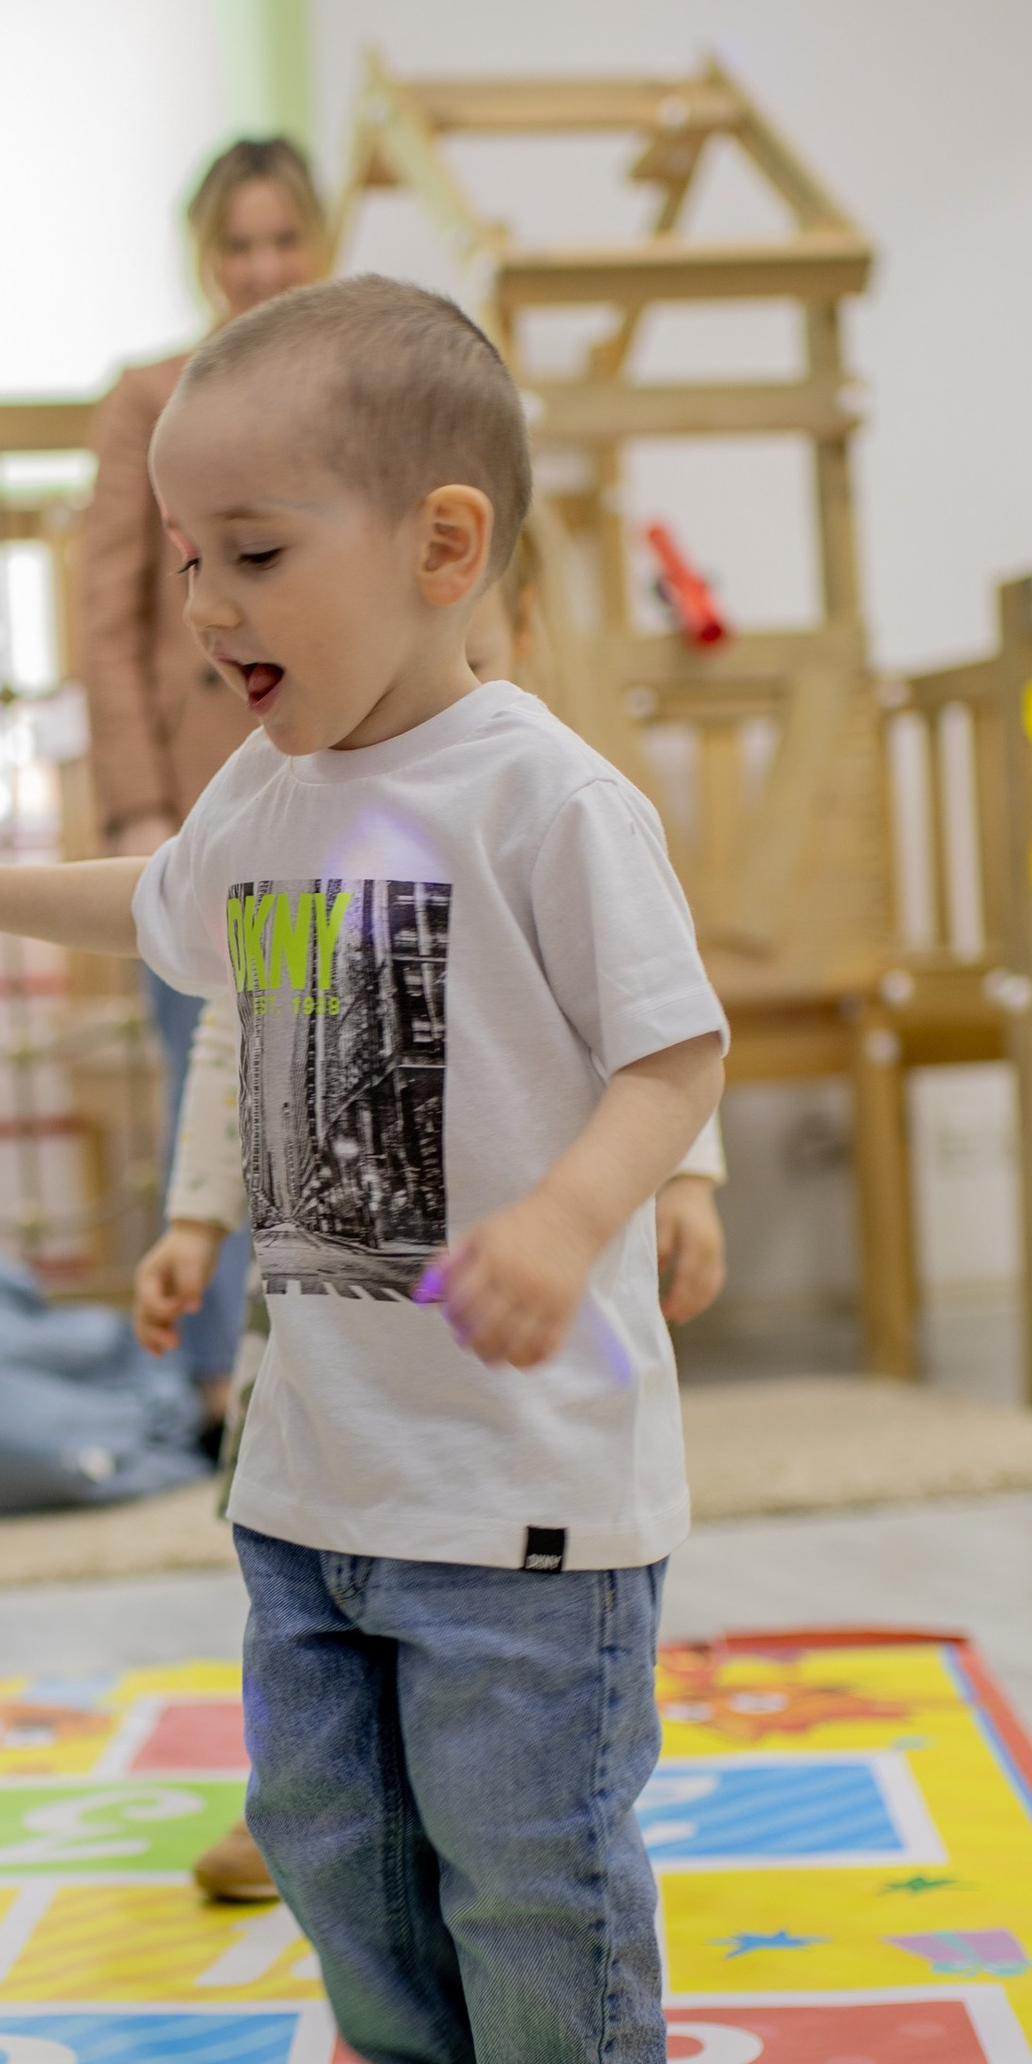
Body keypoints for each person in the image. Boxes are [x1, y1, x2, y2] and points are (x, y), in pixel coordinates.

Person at [0, 276, 724, 2064]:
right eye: (182, 560)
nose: (207, 608)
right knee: (331, 1832)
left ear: (438, 547)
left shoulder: (545, 801)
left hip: (519, 1491)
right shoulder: (262, 796)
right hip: (311, 1476)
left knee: (527, 1848)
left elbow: (673, 1059)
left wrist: (574, 1221)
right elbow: (154, 928)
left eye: (252, 556)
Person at [139, 530, 728, 1900]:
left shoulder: (545, 806)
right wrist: (192, 1223)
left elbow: (657, 1037)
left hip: (497, 1364)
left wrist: (689, 1180)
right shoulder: (275, 825)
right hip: (325, 1315)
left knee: (489, 1660)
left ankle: (461, 1820)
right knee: (307, 1570)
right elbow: (231, 1037)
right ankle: (313, 1802)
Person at [77, 135, 329, 1423]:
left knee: (326, 1060)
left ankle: (315, 1358)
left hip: (338, 782)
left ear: (320, 245)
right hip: (198, 785)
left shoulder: (357, 388)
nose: (262, 265)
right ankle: (220, 1379)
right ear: (203, 257)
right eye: (239, 244)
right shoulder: (151, 398)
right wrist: (131, 799)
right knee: (216, 1066)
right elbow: (107, 611)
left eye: (283, 239)